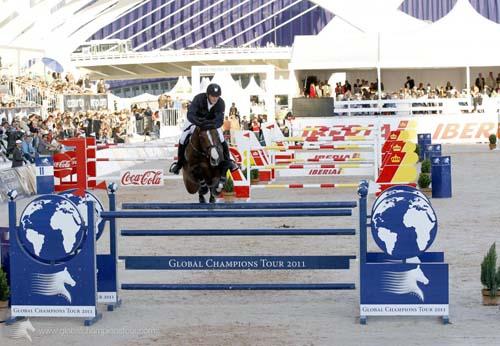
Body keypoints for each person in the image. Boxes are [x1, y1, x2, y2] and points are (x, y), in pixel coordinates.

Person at [169, 83, 238, 174]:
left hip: (211, 124)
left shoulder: (221, 103)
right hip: (195, 121)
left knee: (221, 138)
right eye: (213, 96)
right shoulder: (198, 99)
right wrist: (200, 123)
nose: (215, 98)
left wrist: (210, 125)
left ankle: (228, 161)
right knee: (182, 138)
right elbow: (190, 115)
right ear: (208, 95)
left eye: (217, 96)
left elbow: (219, 120)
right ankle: (179, 164)